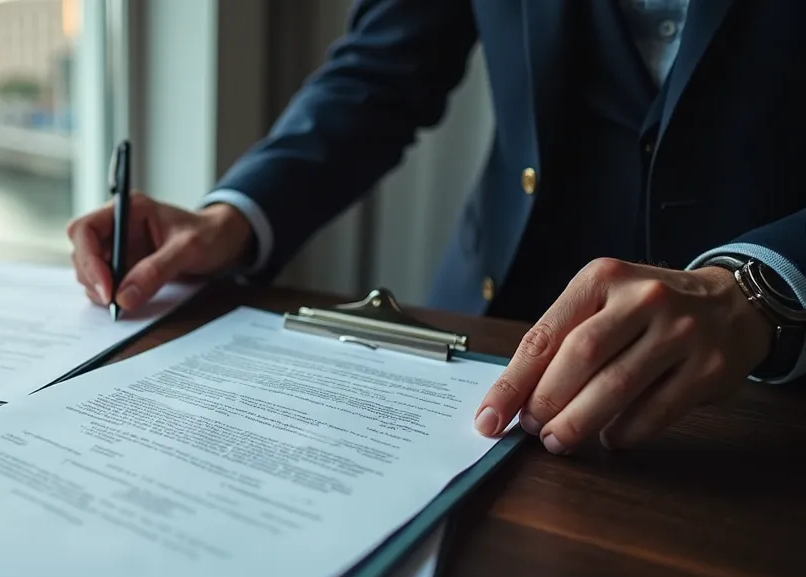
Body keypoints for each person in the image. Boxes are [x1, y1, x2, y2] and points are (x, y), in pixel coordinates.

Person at [67, 0, 806, 455]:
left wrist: (763, 285)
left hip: (764, 397)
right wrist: (231, 216)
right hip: (484, 347)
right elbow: (380, 72)